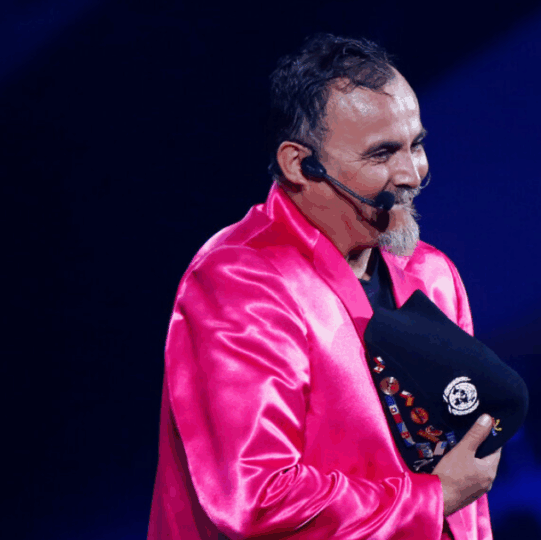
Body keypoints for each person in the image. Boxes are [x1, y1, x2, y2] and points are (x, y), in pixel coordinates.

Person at [148, 34, 499, 540]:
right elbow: (256, 498)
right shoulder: (238, 281)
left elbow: (465, 501)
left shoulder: (433, 275)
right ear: (299, 164)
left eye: (416, 145)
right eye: (382, 153)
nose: (411, 174)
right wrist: (431, 499)